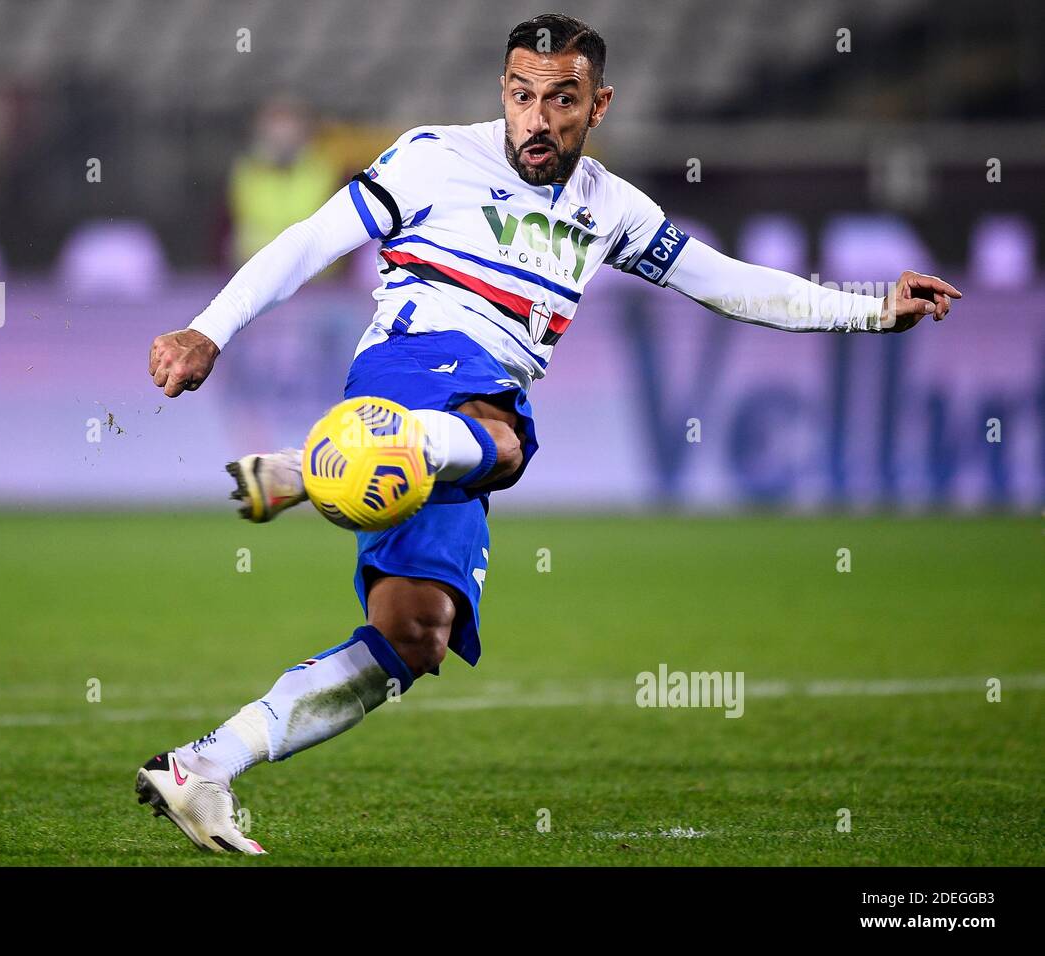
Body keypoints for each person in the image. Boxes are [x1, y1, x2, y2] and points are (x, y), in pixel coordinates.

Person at [137, 13, 961, 854]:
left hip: (454, 412)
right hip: (410, 366)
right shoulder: (432, 157)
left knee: (415, 634)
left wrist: (868, 310)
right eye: (522, 96)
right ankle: (328, 463)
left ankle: (204, 766)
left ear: (597, 105)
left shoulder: (611, 207)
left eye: (560, 100)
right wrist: (209, 328)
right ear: (503, 92)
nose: (537, 118)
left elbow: (732, 285)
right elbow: (310, 240)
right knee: (508, 442)